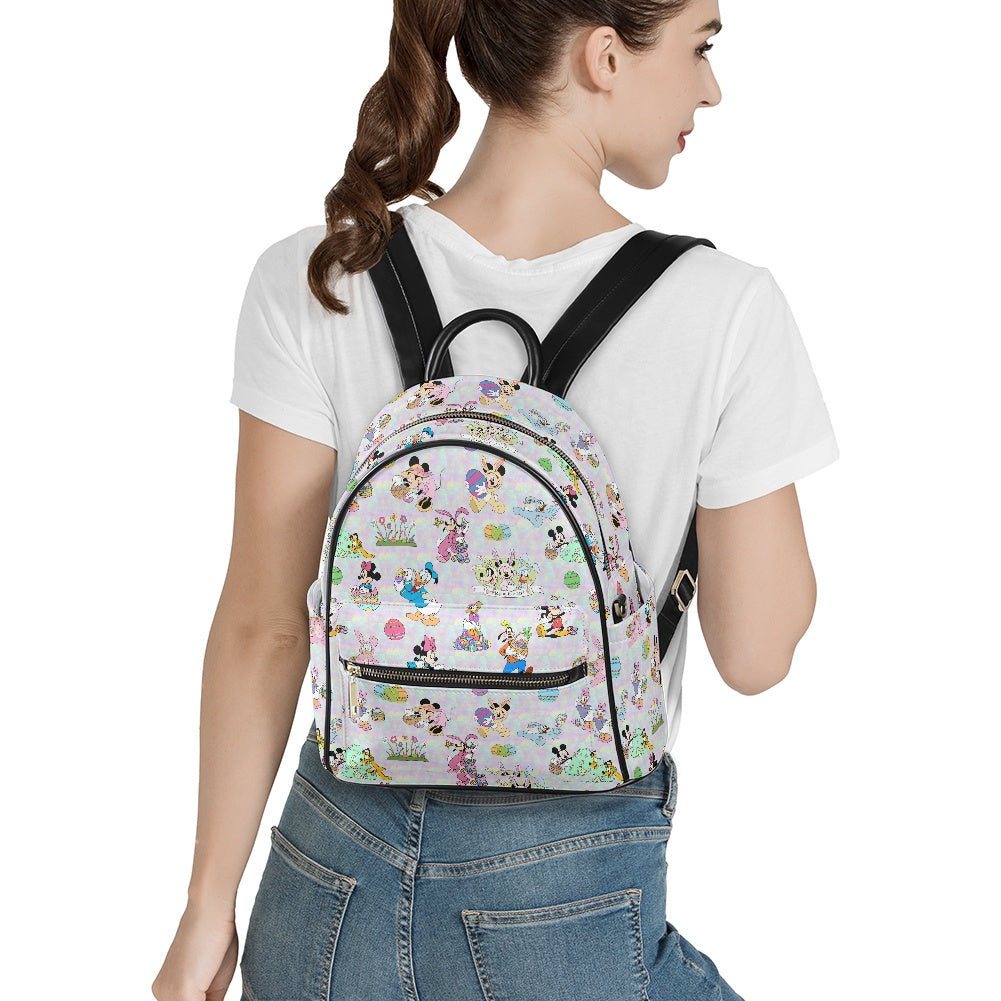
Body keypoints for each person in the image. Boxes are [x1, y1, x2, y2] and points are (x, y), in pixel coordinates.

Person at [152, 0, 838, 998]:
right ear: (605, 57)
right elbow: (757, 652)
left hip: (321, 879)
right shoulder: (723, 307)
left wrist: (206, 903)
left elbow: (263, 623)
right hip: (562, 897)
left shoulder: (320, 275)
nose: (710, 88)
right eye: (699, 46)